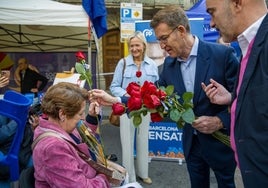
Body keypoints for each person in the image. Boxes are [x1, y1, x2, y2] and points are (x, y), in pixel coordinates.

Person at [201, 0, 268, 187]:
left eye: (212, 12)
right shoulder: (250, 44)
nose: (212, 23)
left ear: (237, 3)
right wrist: (234, 97)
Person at [109, 31, 159, 184]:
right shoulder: (122, 63)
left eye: (137, 45)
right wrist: (129, 96)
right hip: (127, 109)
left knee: (143, 140)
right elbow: (114, 86)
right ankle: (129, 175)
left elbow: (156, 87)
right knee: (127, 142)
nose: (134, 48)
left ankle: (143, 173)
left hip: (145, 109)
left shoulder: (152, 64)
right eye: (131, 46)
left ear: (143, 46)